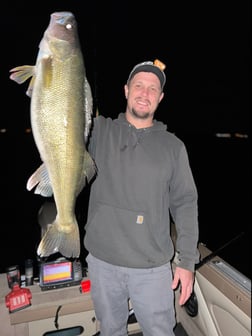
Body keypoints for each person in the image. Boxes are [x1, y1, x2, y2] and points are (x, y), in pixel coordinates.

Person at [84, 59, 200, 336]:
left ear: (160, 98)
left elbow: (185, 203)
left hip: (152, 268)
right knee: (111, 330)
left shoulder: (173, 147)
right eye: (138, 85)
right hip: (102, 263)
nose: (144, 93)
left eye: (152, 88)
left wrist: (186, 262)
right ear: (126, 90)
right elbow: (66, 117)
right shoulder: (99, 131)